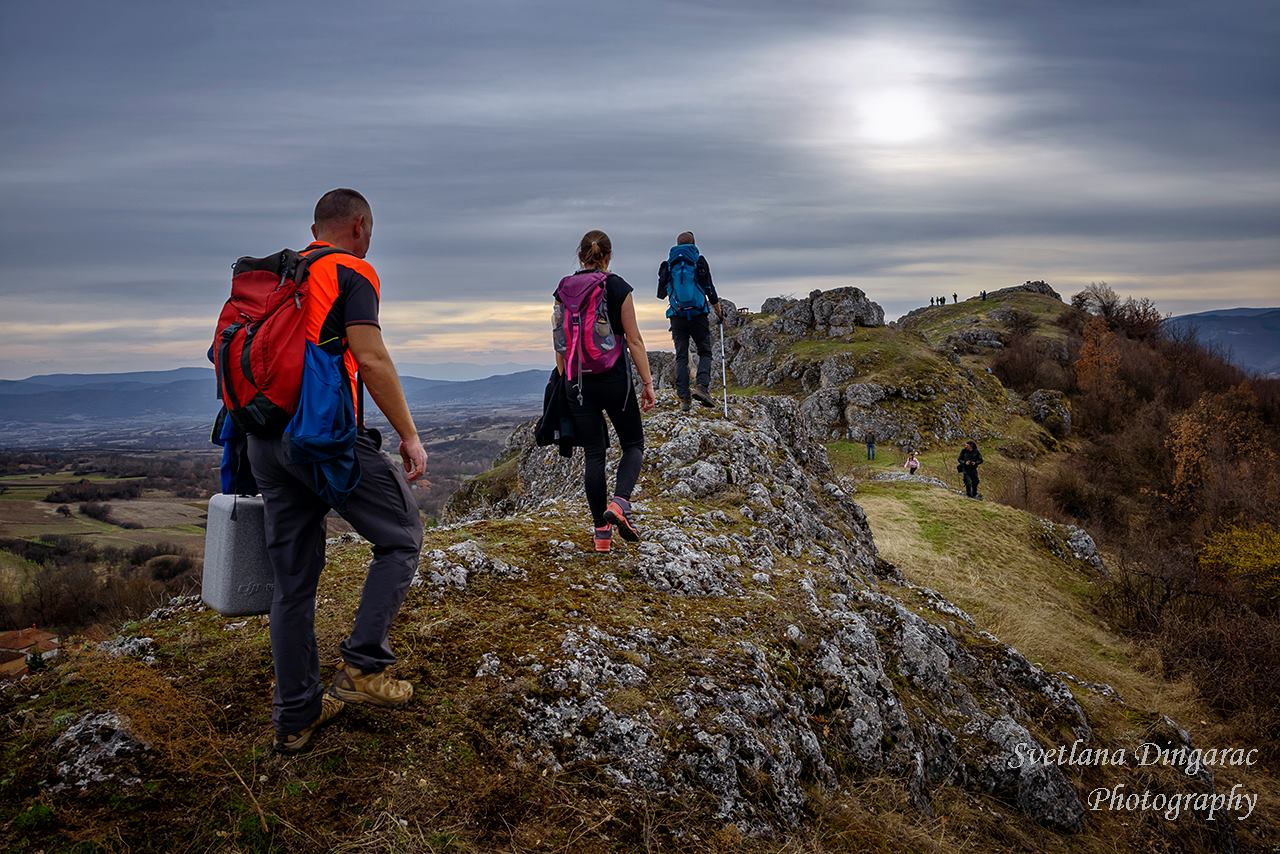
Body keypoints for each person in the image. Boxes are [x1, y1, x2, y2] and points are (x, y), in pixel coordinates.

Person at [246, 189, 426, 754]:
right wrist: (408, 434)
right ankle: (364, 667)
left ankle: (295, 719)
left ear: (313, 229)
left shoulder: (279, 277)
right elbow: (369, 357)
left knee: (292, 586)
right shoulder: (351, 271)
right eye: (369, 230)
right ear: (359, 225)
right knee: (401, 535)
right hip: (320, 436)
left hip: (262, 440)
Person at [557, 230, 655, 553]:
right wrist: (647, 383)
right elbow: (634, 339)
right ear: (609, 256)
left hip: (577, 383)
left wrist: (566, 380)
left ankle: (601, 535)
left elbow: (560, 343)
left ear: (581, 256)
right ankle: (619, 503)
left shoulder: (563, 290)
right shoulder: (617, 287)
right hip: (614, 379)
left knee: (594, 454)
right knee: (633, 444)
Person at [657, 231, 723, 412]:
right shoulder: (699, 261)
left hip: (677, 316)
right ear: (694, 244)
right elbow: (710, 289)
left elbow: (660, 294)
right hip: (698, 314)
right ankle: (702, 387)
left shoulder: (668, 265)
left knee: (681, 356)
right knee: (705, 352)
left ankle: (684, 399)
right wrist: (719, 312)